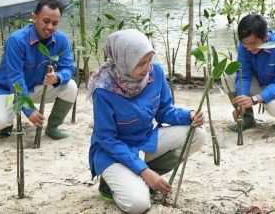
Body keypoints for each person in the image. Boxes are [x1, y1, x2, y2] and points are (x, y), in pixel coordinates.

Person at [88, 29, 206, 214]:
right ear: (123, 61)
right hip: (113, 153)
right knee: (139, 205)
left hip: (144, 141)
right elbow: (108, 140)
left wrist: (189, 114)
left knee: (197, 135)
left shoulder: (155, 72)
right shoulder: (103, 89)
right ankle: (109, 184)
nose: (149, 68)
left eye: (150, 60)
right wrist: (143, 170)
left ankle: (142, 175)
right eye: (141, 63)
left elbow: (165, 111)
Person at [0, 0, 78, 140]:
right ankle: (6, 126)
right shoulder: (16, 41)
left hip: (35, 88)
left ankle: (52, 128)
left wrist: (57, 77)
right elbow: (15, 80)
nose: (50, 27)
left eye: (55, 23)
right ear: (34, 18)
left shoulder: (62, 40)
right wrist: (30, 111)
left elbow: (68, 68)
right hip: (8, 91)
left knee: (71, 86)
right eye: (46, 21)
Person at [222, 14, 275, 132]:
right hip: (262, 82)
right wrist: (242, 103)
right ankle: (247, 119)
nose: (249, 48)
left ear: (265, 36)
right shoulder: (245, 45)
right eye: (245, 44)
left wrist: (254, 99)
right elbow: (243, 74)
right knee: (228, 75)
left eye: (253, 43)